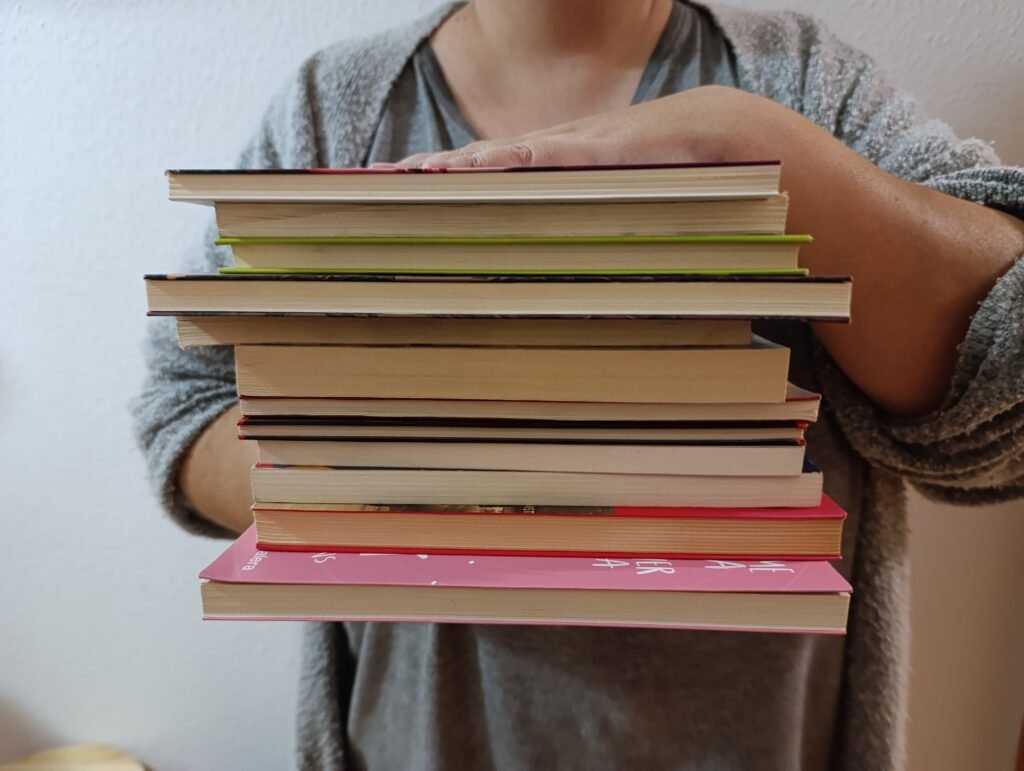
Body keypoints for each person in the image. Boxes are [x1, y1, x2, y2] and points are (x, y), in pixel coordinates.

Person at [133, 2, 1024, 769]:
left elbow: (1003, 382)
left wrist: (767, 160)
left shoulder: (800, 81)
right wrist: (387, 470)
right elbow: (186, 408)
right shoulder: (336, 108)